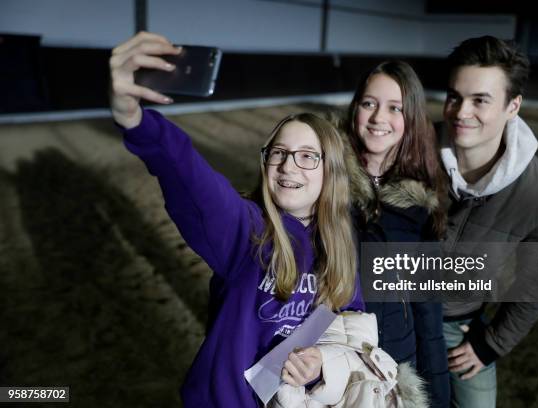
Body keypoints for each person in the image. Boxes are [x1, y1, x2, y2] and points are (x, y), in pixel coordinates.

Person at [109, 32, 365, 408]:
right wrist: (135, 121)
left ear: (333, 172)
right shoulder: (248, 231)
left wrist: (322, 363)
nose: (288, 165)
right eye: (279, 152)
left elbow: (348, 323)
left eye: (308, 156)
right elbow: (191, 178)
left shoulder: (340, 244)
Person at [438, 36, 538, 407]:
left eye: (480, 100)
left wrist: (489, 342)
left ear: (513, 106)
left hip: (456, 323)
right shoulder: (411, 150)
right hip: (384, 307)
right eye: (454, 96)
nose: (461, 112)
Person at [338, 60, 451, 407]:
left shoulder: (422, 201)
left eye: (394, 108)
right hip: (333, 367)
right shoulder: (323, 180)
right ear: (356, 107)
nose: (378, 118)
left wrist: (440, 398)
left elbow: (427, 313)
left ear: (411, 118)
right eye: (369, 103)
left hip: (395, 369)